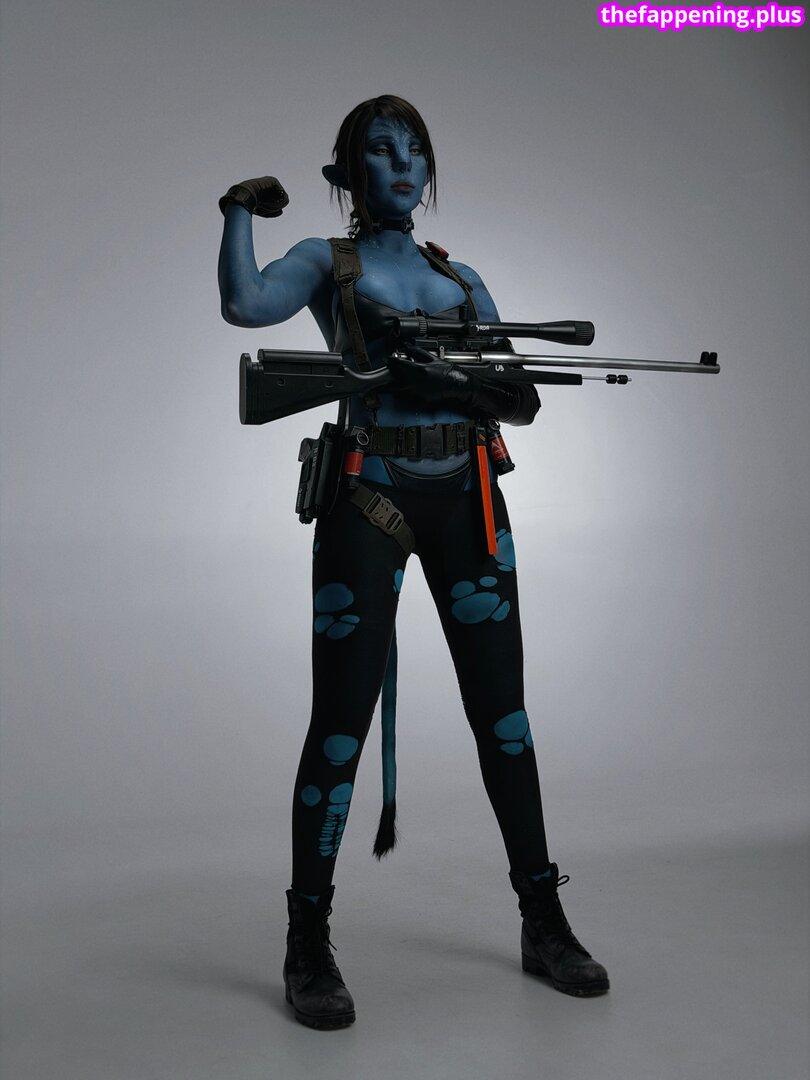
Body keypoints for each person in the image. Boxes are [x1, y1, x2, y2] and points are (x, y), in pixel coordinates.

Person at [218, 95, 609, 1030]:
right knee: (340, 726)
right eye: (381, 151)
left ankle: (543, 918)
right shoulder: (329, 262)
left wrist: (456, 380)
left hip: (470, 500)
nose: (402, 165)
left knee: (505, 719)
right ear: (347, 173)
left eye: (416, 151)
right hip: (369, 496)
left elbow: (521, 398)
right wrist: (236, 211)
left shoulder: (459, 279)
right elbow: (245, 305)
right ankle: (307, 940)